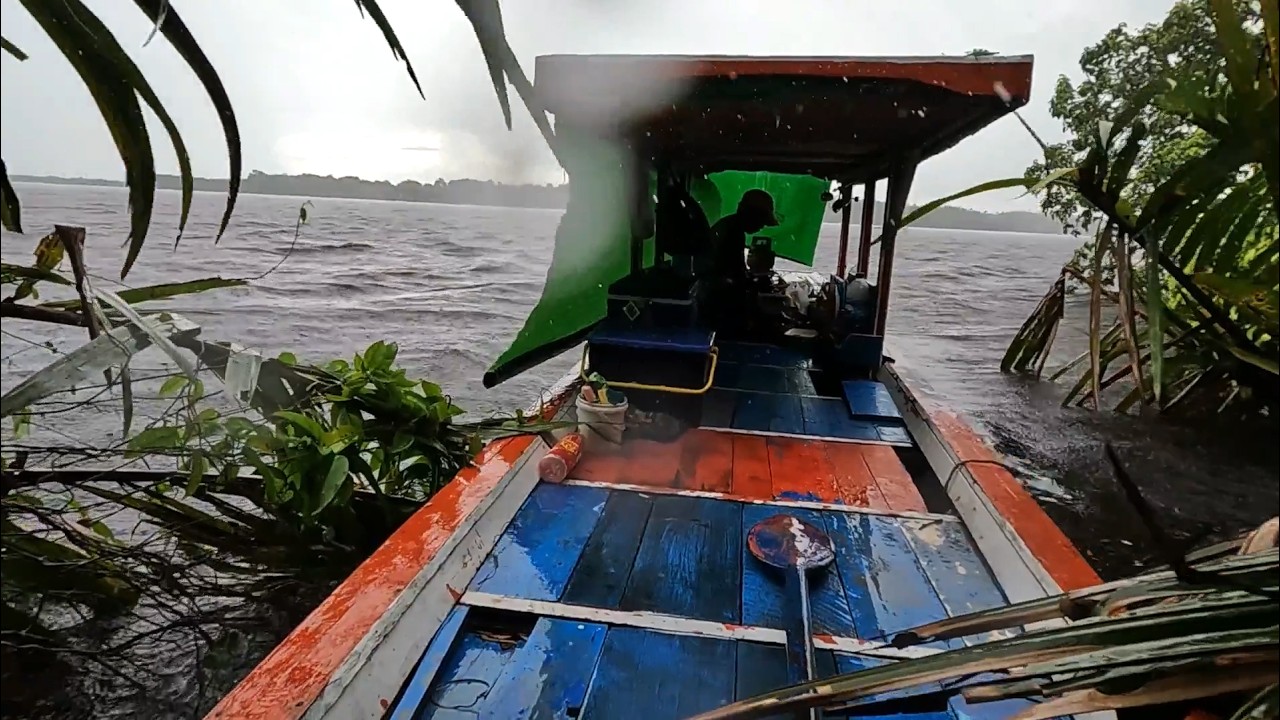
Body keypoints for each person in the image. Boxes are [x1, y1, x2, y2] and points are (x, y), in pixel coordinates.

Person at [700, 189, 779, 331]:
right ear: (752, 214)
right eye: (761, 221)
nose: (761, 227)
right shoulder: (732, 232)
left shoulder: (730, 226)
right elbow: (732, 275)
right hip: (717, 304)